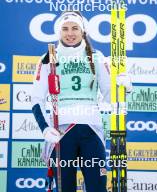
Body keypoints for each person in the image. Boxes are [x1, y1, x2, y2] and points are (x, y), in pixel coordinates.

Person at [31, 11, 132, 192]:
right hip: (61, 132)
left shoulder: (96, 56)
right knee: (65, 188)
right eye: (65, 29)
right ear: (58, 32)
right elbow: (36, 99)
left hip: (91, 130)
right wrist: (44, 128)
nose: (70, 33)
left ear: (83, 31)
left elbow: (111, 97)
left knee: (97, 187)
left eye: (75, 28)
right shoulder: (47, 58)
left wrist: (124, 87)